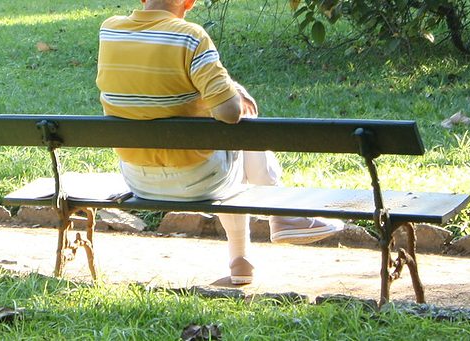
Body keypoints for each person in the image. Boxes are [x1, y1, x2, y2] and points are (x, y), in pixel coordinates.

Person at [96, 0, 344, 285]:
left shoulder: (110, 31)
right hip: (199, 180)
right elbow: (230, 112)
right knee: (241, 129)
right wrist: (233, 90)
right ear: (189, 3)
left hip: (138, 179)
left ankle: (245, 259)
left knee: (226, 152)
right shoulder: (190, 36)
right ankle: (279, 216)